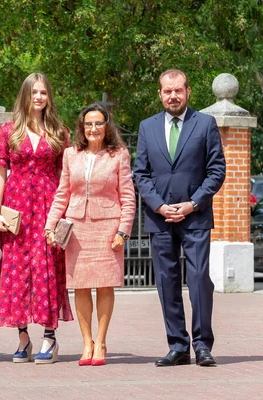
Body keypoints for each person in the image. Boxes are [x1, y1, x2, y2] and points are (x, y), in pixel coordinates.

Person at [134, 69, 226, 367]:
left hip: (195, 217)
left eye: (178, 90)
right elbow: (141, 173)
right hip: (160, 218)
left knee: (199, 281)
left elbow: (216, 170)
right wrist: (159, 206)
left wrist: (194, 203)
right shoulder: (147, 127)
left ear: (188, 91)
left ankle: (202, 345)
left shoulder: (206, 124)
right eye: (167, 91)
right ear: (160, 94)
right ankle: (177, 345)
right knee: (167, 282)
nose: (173, 96)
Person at [45, 103, 136, 366]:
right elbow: (63, 193)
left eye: (98, 123)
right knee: (81, 287)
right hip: (77, 230)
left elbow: (128, 196)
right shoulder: (71, 154)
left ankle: (102, 342)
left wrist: (123, 231)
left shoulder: (118, 154)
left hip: (108, 228)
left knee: (105, 286)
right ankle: (87, 343)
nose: (93, 128)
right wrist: (50, 226)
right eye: (88, 124)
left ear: (107, 126)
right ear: (82, 128)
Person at [0, 73, 73, 364]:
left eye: (43, 92)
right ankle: (23, 337)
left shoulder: (59, 132)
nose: (38, 97)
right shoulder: (8, 130)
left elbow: (67, 175)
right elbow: (0, 173)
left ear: (48, 97)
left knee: (47, 268)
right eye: (33, 92)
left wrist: (65, 213)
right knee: (17, 270)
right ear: (24, 95)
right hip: (17, 209)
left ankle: (50, 337)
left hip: (49, 207)